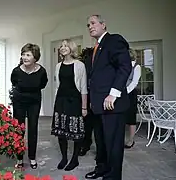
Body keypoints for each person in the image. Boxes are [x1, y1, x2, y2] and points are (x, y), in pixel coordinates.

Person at [85, 15, 132, 180]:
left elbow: (125, 67)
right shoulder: (96, 48)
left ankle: (113, 176)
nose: (90, 26)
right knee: (101, 141)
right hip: (98, 105)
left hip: (113, 104)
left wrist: (114, 93)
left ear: (103, 24)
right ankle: (102, 169)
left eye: (93, 23)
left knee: (113, 143)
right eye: (88, 25)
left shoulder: (114, 40)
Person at [51, 39, 88, 171]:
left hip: (75, 100)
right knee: (61, 131)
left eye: (66, 45)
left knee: (75, 131)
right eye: (61, 46)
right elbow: (58, 86)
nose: (62, 47)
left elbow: (83, 87)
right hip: (61, 100)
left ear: (71, 48)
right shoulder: (58, 66)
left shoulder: (79, 65)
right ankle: (64, 158)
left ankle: (75, 159)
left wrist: (84, 107)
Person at [10, 43, 48, 169]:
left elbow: (43, 84)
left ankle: (32, 157)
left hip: (34, 102)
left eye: (28, 55)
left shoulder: (42, 71)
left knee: (33, 129)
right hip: (19, 101)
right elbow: (14, 82)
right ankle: (19, 158)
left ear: (35, 57)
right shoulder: (16, 71)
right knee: (19, 129)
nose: (25, 57)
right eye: (23, 54)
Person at [79, 47, 95, 156]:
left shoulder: (86, 64)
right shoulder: (85, 64)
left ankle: (86, 143)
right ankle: (86, 143)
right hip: (88, 93)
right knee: (88, 121)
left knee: (88, 122)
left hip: (90, 94)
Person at [124, 48, 141, 148]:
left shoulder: (136, 67)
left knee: (131, 118)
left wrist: (125, 92)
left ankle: (131, 140)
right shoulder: (122, 66)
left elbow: (134, 82)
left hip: (130, 94)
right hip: (120, 93)